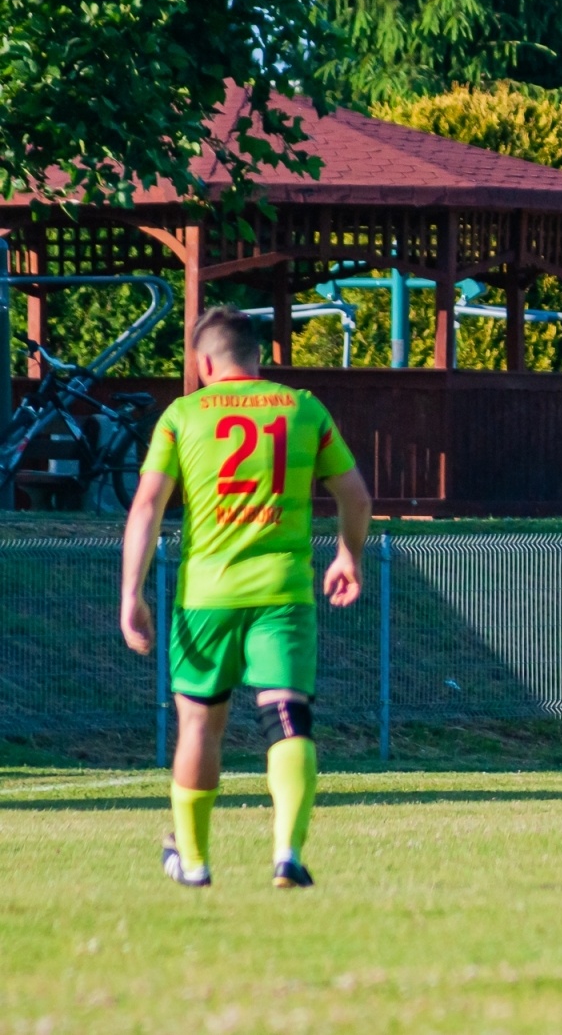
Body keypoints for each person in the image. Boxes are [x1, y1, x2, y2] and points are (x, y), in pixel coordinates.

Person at [120, 306, 372, 889]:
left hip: (204, 597)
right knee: (288, 716)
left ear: (204, 362)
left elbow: (147, 507)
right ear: (258, 358)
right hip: (282, 593)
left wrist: (131, 592)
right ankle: (287, 852)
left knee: (200, 729)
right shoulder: (302, 407)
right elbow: (355, 496)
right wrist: (348, 557)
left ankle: (195, 861)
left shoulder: (182, 415)